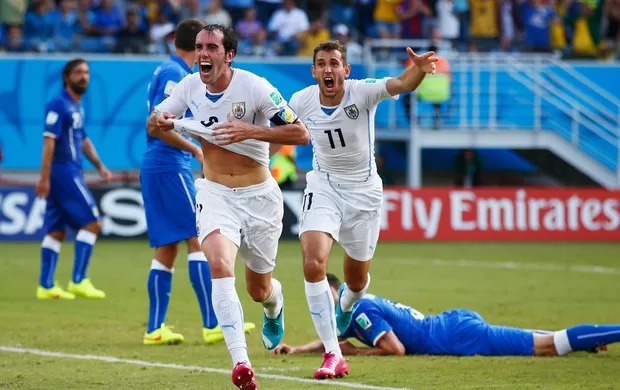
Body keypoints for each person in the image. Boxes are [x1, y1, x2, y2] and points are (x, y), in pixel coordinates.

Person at [147, 24, 309, 390]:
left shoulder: (255, 87)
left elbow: (301, 133)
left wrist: (250, 131)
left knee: (258, 289)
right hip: (215, 194)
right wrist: (162, 122)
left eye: (212, 48)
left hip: (260, 198)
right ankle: (241, 363)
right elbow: (154, 124)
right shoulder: (189, 86)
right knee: (219, 265)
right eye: (200, 47)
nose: (203, 53)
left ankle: (274, 304)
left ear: (229, 54)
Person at [288, 40, 437, 380]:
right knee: (313, 263)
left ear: (346, 70)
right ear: (314, 72)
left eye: (334, 63)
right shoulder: (301, 101)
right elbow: (281, 127)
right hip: (323, 186)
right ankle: (332, 353)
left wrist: (419, 71)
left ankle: (345, 306)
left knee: (355, 281)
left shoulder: (363, 92)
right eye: (322, 64)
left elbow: (401, 84)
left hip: (364, 195)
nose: (328, 69)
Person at [141, 18, 255, 347]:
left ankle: (154, 328)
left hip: (159, 165)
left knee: (167, 247)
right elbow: (162, 125)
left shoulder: (167, 69)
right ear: (196, 47)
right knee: (199, 236)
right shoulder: (179, 75)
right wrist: (197, 149)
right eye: (204, 46)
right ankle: (213, 323)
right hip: (169, 163)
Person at [273, 273, 620, 357]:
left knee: (549, 346)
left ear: (335, 290)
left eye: (325, 294)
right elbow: (333, 337)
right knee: (537, 338)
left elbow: (396, 350)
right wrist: (299, 350)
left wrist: (357, 353)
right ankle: (592, 341)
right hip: (452, 323)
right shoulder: (352, 311)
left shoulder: (360, 310)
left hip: (455, 336)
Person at [35, 58, 111, 300]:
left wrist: (100, 165)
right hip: (64, 172)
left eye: (87, 72)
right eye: (78, 72)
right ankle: (78, 280)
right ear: (67, 77)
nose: (84, 76)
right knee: (93, 224)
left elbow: (84, 140)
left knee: (56, 230)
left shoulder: (76, 106)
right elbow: (49, 143)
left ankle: (45, 286)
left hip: (68, 171)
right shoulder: (58, 105)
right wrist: (44, 178)